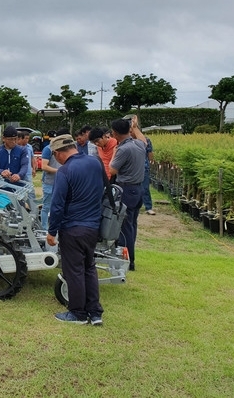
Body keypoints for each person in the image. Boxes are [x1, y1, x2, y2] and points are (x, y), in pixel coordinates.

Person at [46, 134, 104, 325]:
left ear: (58, 152)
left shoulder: (65, 170)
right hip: (93, 226)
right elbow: (104, 188)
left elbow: (57, 205)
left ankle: (77, 313)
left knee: (74, 271)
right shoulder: (95, 162)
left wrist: (51, 231)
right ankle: (95, 313)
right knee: (89, 268)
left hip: (72, 227)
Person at [109, 118, 146, 271]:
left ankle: (127, 261)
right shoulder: (138, 144)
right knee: (132, 225)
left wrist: (113, 153)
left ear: (115, 133)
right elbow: (143, 139)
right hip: (138, 190)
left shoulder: (123, 149)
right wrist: (135, 127)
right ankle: (129, 257)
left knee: (124, 228)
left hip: (126, 190)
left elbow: (112, 170)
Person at [39, 138, 61, 231]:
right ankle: (44, 229)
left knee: (59, 207)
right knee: (46, 207)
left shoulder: (65, 149)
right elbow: (44, 166)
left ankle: (57, 228)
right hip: (49, 183)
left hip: (61, 183)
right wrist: (60, 171)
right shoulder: (48, 149)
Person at [142, 137, 155, 215]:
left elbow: (150, 153)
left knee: (145, 187)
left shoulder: (146, 140)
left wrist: (150, 163)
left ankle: (148, 207)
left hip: (144, 166)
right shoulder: (127, 139)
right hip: (131, 168)